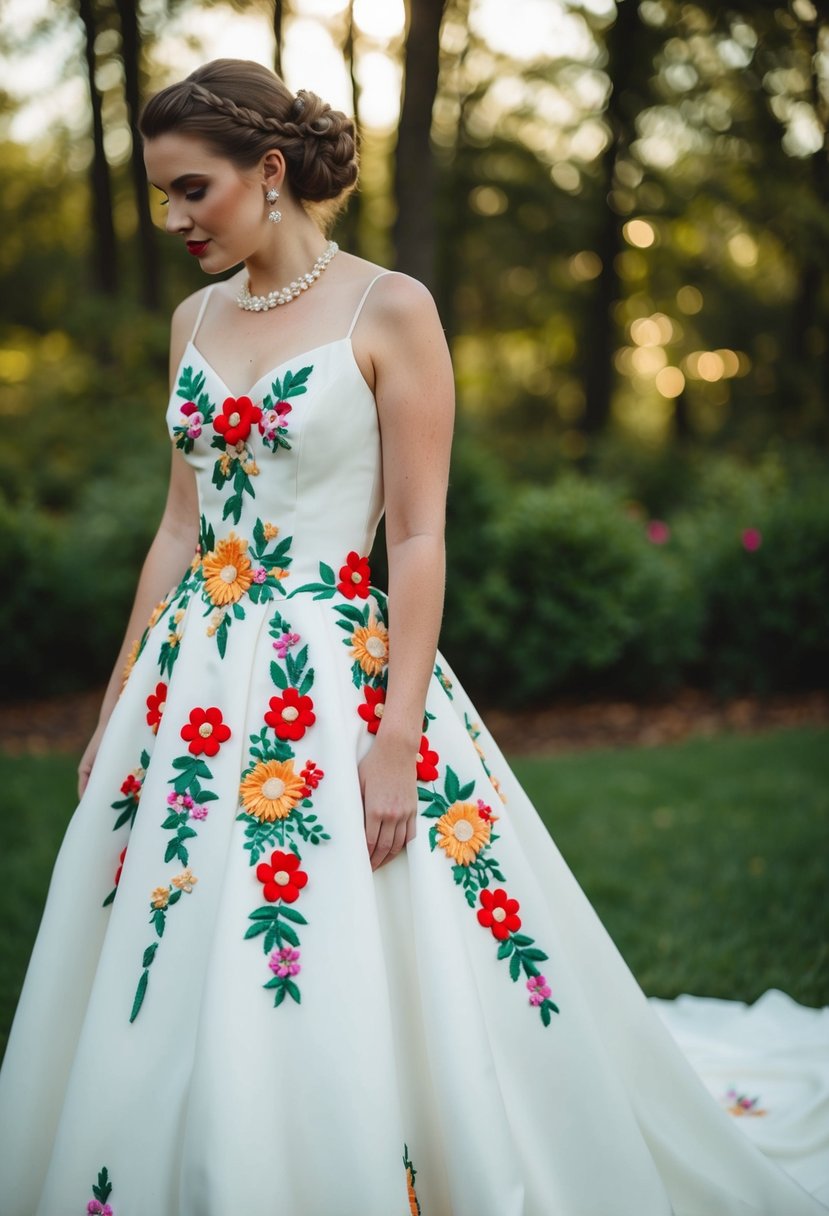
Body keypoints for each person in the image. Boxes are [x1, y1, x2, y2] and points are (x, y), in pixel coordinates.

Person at [0, 58, 825, 1216]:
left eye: (193, 190)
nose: (174, 219)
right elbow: (179, 529)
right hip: (187, 689)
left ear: (270, 172)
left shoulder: (391, 308)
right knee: (168, 934)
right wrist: (113, 701)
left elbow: (418, 536)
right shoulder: (191, 317)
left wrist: (395, 742)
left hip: (333, 670)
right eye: (162, 195)